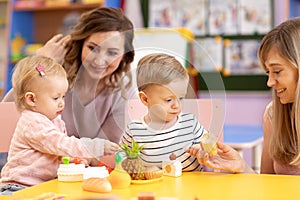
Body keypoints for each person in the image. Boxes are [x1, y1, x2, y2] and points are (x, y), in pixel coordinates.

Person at [2, 7, 136, 146]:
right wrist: (40, 62)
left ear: (124, 56)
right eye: (93, 48)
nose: (99, 60)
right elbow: (5, 123)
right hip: (37, 165)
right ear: (81, 43)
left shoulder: (124, 92)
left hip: (86, 167)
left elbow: (102, 153)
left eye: (112, 53)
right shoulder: (52, 75)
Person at [188, 17, 300, 175]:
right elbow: (267, 186)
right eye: (268, 72)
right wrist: (242, 167)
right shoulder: (273, 114)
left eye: (277, 71)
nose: (269, 82)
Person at [0, 55, 119, 193]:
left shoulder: (54, 119)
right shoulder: (31, 123)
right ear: (32, 99)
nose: (62, 102)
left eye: (63, 96)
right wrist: (96, 146)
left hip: (42, 188)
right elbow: (61, 144)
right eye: (56, 98)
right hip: (18, 188)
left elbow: (57, 152)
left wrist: (78, 160)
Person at [121, 53, 211, 171]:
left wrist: (202, 149)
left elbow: (211, 144)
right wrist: (129, 164)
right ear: (145, 99)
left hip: (192, 187)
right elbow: (121, 156)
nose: (176, 105)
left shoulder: (190, 123)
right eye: (169, 100)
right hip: (155, 188)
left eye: (181, 98)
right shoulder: (135, 130)